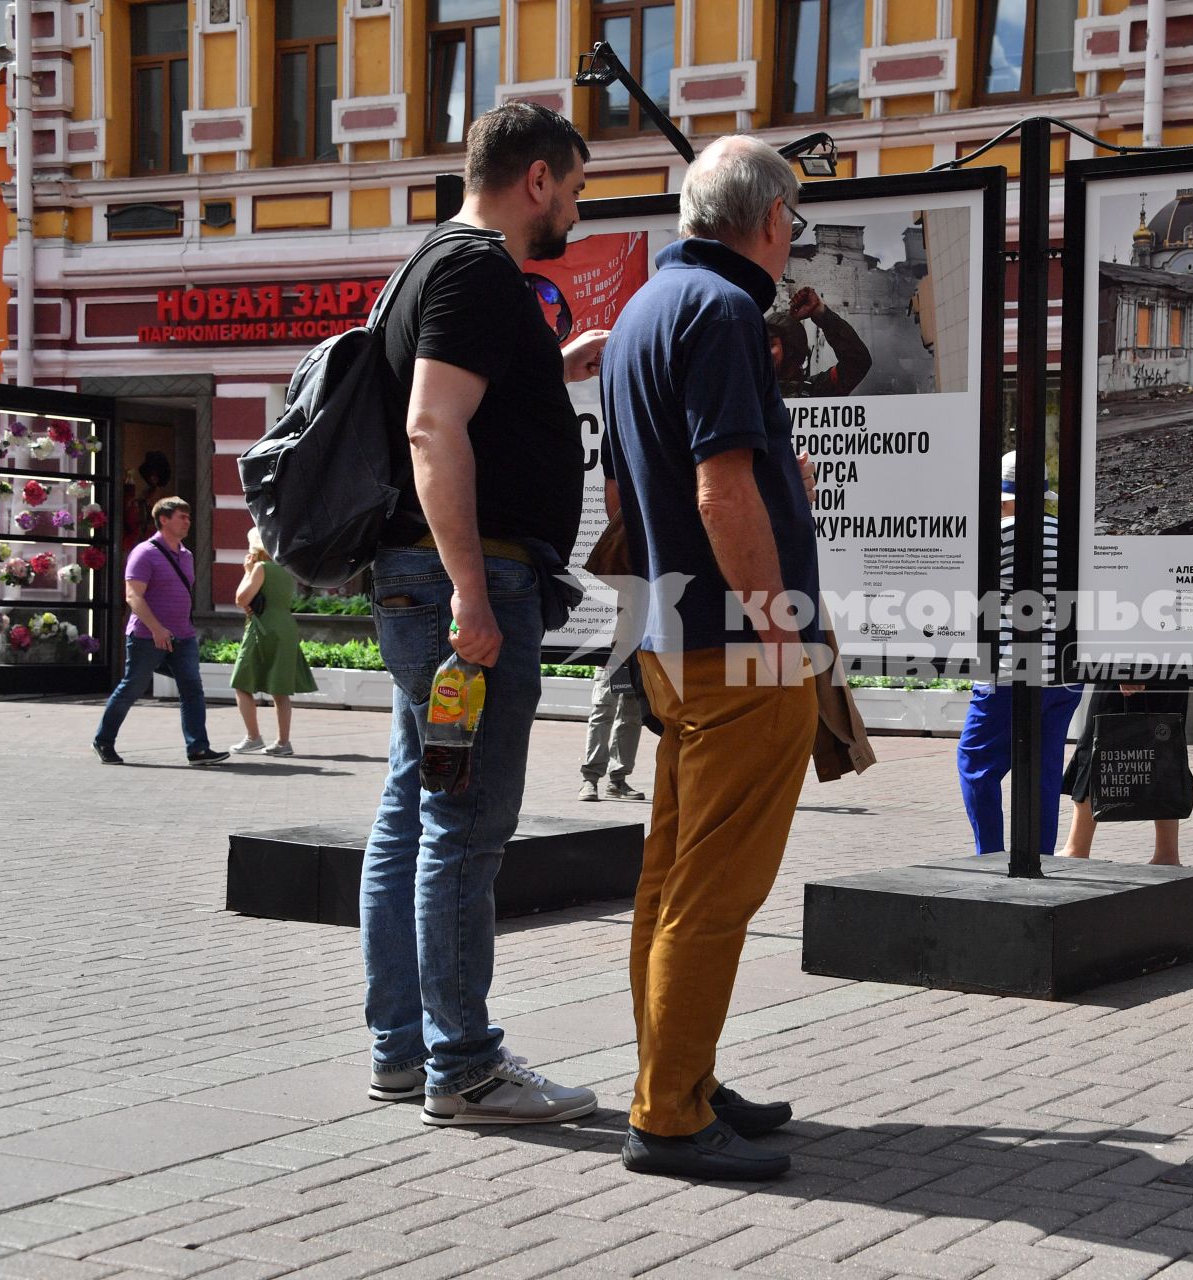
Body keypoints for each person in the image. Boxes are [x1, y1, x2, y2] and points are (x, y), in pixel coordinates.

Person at [358, 102, 609, 1128]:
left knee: (411, 811)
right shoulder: (472, 269)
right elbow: (432, 425)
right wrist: (469, 590)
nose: (576, 212)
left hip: (436, 580)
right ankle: (463, 1067)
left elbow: (460, 408)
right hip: (467, 585)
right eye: (578, 188)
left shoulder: (429, 265)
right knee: (463, 826)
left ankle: (403, 1048)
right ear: (537, 178)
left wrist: (556, 366)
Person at [602, 134, 824, 1181]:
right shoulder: (729, 310)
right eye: (796, 223)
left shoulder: (646, 310)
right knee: (715, 892)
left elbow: (637, 492)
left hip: (673, 637)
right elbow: (719, 490)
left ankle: (679, 1076)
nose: (795, 241)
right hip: (742, 651)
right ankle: (670, 1113)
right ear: (770, 219)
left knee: (671, 880)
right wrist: (780, 627)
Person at [954, 451, 1082, 857]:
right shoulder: (1067, 535)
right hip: (1063, 674)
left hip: (1008, 673)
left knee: (975, 766)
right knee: (1042, 771)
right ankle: (1039, 857)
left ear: (1002, 495)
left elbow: (973, 602)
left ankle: (990, 855)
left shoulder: (998, 536)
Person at [93, 497, 228, 767]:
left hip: (183, 636)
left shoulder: (187, 556)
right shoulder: (144, 553)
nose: (187, 521)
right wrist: (157, 629)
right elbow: (133, 596)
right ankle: (104, 740)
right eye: (182, 517)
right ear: (164, 520)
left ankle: (198, 749)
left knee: (192, 689)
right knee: (133, 686)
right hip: (147, 635)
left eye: (189, 517)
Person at [1061, 684, 1191, 866]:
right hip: (1170, 669)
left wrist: (1127, 670)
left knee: (1097, 743)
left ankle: (1077, 847)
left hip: (1132, 665)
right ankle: (1167, 853)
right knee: (1164, 745)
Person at [229, 527, 317, 756]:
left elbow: (241, 599)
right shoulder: (286, 569)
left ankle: (253, 737)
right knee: (280, 689)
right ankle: (282, 742)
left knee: (241, 683)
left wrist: (248, 572)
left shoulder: (260, 568)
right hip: (285, 626)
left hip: (263, 627)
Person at [767, 285, 871, 398]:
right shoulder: (754, 394)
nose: (761, 352)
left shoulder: (817, 391)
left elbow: (857, 361)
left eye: (771, 345)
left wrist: (821, 314)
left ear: (790, 349)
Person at [578, 660, 648, 801]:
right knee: (602, 715)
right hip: (610, 658)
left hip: (636, 661)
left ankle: (617, 781)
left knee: (631, 719)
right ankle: (590, 780)